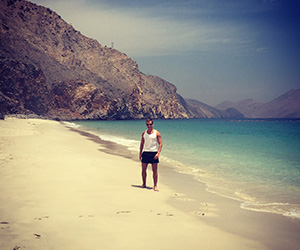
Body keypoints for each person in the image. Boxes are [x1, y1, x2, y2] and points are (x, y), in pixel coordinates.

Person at [139, 118, 162, 191]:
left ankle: (155, 185)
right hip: (145, 153)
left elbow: (160, 143)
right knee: (143, 170)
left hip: (153, 153)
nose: (149, 126)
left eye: (150, 124)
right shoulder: (144, 133)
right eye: (147, 125)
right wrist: (140, 153)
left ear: (153, 124)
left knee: (154, 171)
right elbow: (142, 143)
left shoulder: (157, 133)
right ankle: (144, 184)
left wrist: (158, 153)